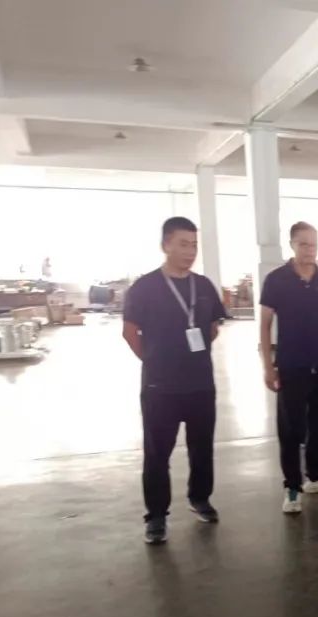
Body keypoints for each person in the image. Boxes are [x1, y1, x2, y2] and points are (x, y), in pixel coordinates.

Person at [122, 217, 227, 545]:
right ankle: (156, 516)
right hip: (160, 388)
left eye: (194, 244)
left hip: (200, 384)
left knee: (202, 448)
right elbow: (129, 332)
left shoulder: (204, 286)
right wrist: (154, 360)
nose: (190, 251)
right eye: (183, 244)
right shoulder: (145, 288)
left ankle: (200, 498)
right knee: (157, 454)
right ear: (165, 245)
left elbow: (212, 328)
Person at [259, 222, 318, 514]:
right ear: (292, 245)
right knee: (291, 428)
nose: (310, 250)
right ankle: (292, 486)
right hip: (291, 365)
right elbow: (265, 325)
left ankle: (315, 476)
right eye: (304, 244)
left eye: (314, 244)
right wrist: (268, 366)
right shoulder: (276, 280)